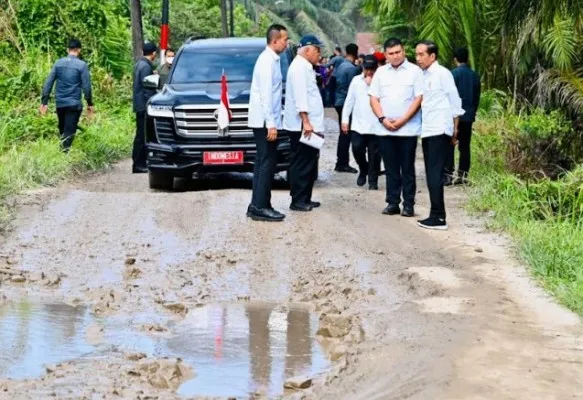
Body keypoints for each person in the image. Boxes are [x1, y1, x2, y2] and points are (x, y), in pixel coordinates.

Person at [369, 38, 423, 217]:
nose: (395, 56)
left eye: (398, 52)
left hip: (407, 129)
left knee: (407, 167)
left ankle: (408, 204)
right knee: (391, 168)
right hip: (385, 128)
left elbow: (418, 99)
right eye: (391, 53)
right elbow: (374, 98)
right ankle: (393, 202)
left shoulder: (415, 72)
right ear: (386, 55)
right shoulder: (381, 73)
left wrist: (403, 120)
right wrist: (383, 119)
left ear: (404, 51)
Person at [415, 40, 465, 230]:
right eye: (417, 55)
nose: (418, 58)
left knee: (435, 174)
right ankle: (436, 214)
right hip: (428, 129)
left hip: (439, 129)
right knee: (430, 174)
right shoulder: (424, 75)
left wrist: (455, 129)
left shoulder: (443, 74)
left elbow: (455, 102)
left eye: (421, 54)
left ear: (432, 56)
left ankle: (439, 217)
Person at [246, 24, 290, 222]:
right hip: (265, 121)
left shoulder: (272, 60)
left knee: (263, 162)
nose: (286, 43)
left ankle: (258, 203)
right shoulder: (266, 62)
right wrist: (271, 124)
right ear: (275, 41)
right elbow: (265, 96)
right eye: (284, 40)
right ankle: (260, 206)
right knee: (267, 163)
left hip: (266, 119)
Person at [283, 34, 325, 212]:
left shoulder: (305, 66)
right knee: (301, 162)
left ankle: (305, 197)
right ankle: (298, 200)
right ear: (308, 50)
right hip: (302, 125)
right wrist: (306, 121)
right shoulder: (299, 67)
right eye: (317, 50)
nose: (319, 54)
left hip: (308, 124)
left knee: (309, 161)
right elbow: (301, 97)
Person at [40, 38, 94, 152]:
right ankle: (63, 154)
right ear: (79, 50)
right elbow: (87, 87)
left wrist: (44, 103)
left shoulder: (58, 63)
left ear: (67, 49)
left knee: (63, 129)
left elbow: (48, 83)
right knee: (69, 131)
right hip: (74, 104)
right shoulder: (82, 65)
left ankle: (62, 155)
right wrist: (90, 103)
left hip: (60, 103)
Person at [341, 55, 382, 190]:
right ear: (363, 68)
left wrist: (372, 85)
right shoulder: (356, 81)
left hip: (376, 125)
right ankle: (363, 169)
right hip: (358, 124)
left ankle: (373, 181)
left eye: (372, 69)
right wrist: (345, 120)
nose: (369, 72)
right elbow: (349, 101)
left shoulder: (381, 81)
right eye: (367, 69)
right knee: (357, 149)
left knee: (375, 155)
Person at [445, 47, 481, 185]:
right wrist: (473, 111)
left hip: (453, 116)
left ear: (455, 59)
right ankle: (463, 176)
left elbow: (448, 96)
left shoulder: (452, 74)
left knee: (449, 144)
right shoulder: (474, 75)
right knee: (465, 146)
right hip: (468, 116)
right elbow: (477, 96)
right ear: (467, 58)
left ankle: (448, 175)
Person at [333, 43, 360, 173]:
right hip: (345, 103)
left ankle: (341, 162)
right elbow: (354, 90)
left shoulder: (340, 66)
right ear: (356, 53)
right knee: (346, 134)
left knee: (343, 134)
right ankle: (342, 163)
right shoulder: (351, 69)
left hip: (338, 101)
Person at [132, 42, 158, 173]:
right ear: (153, 53)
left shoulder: (139, 64)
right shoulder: (146, 67)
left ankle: (137, 161)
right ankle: (138, 164)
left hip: (138, 103)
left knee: (140, 134)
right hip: (144, 105)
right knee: (142, 135)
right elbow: (148, 89)